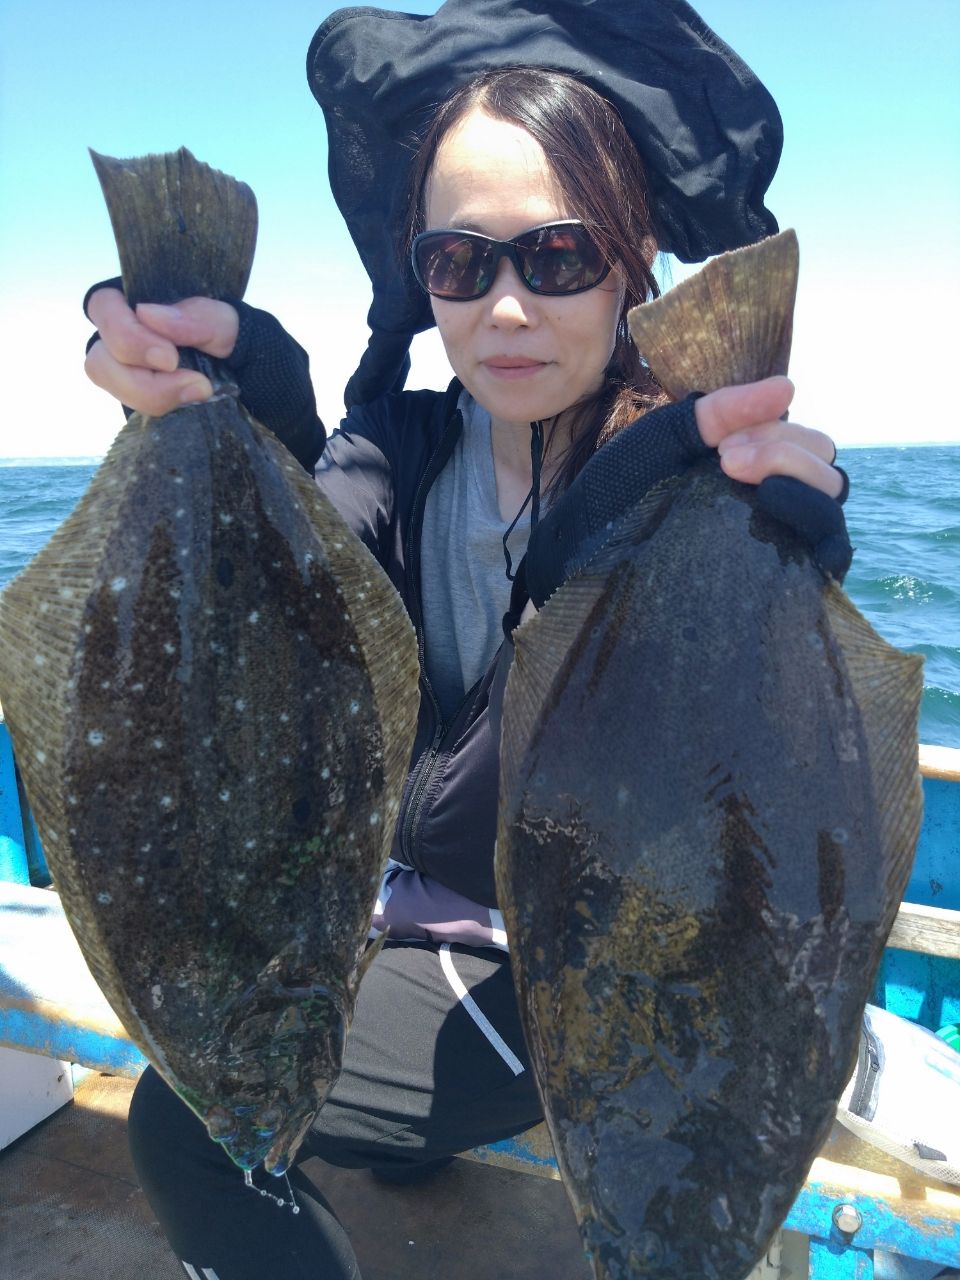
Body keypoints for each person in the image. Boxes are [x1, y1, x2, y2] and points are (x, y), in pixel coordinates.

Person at [82, 3, 851, 1276]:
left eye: (554, 257)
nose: (504, 307)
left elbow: (758, 792)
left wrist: (781, 560)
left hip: (556, 970)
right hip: (369, 915)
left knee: (192, 1118)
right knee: (328, 1095)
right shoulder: (408, 447)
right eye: (461, 263)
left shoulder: (694, 486)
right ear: (419, 275)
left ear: (629, 257)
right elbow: (298, 562)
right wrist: (239, 388)